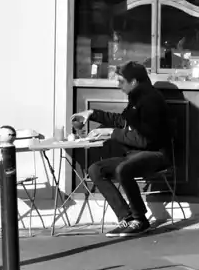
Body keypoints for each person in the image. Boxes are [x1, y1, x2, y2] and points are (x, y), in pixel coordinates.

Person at [71, 61, 171, 237]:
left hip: (156, 154)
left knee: (123, 169)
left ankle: (140, 219)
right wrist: (92, 113)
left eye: (121, 81)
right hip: (135, 154)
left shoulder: (151, 101)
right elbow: (122, 121)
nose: (118, 86)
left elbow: (145, 140)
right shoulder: (136, 98)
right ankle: (126, 218)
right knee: (96, 169)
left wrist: (112, 133)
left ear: (134, 82)